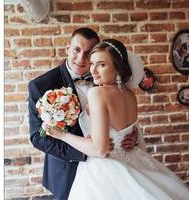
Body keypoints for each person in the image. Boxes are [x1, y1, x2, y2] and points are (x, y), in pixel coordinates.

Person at [48, 39, 189, 200]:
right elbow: (126, 130)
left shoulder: (97, 93)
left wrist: (62, 135)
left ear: (118, 68)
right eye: (92, 64)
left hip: (104, 169)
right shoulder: (130, 95)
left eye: (101, 65)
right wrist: (133, 137)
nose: (93, 70)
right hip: (134, 159)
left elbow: (100, 149)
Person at [28, 28, 141, 200]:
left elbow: (123, 122)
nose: (81, 58)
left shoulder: (106, 79)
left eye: (88, 53)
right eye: (76, 50)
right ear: (67, 48)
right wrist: (85, 152)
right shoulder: (41, 85)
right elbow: (38, 136)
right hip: (66, 170)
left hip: (113, 169)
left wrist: (133, 138)